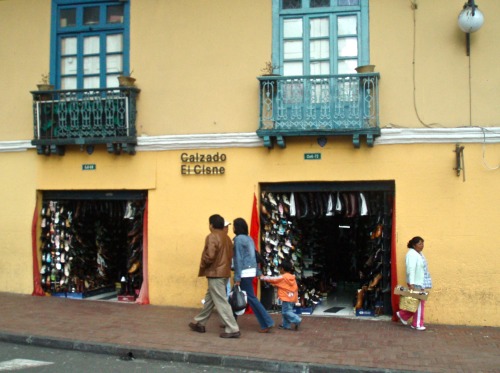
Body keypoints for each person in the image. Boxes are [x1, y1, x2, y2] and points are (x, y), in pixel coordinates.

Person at [189, 214, 240, 338]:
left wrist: (204, 263)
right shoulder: (227, 238)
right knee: (210, 299)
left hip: (215, 273)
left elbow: (210, 255)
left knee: (221, 301)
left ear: (211, 225)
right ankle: (199, 322)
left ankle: (233, 328)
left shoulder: (212, 236)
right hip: (224, 272)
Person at [232, 218, 275, 333]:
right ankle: (230, 321)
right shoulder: (249, 239)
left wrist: (237, 277)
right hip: (251, 271)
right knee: (235, 296)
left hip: (243, 272)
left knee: (249, 298)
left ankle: (267, 322)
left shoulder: (238, 240)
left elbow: (238, 259)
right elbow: (254, 256)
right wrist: (258, 272)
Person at [396, 236, 432, 331]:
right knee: (420, 304)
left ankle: (403, 315)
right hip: (416, 283)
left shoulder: (419, 253)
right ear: (414, 245)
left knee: (417, 303)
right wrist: (411, 283)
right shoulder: (412, 254)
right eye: (420, 243)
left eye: (422, 243)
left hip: (420, 282)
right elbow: (410, 269)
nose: (422, 245)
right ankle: (417, 324)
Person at [260, 260, 302, 331]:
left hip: (286, 298)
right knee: (287, 311)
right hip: (292, 297)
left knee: (286, 312)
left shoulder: (283, 277)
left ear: (282, 269)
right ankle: (286, 325)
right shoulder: (292, 278)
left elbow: (273, 279)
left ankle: (297, 320)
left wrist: (263, 277)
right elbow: (285, 285)